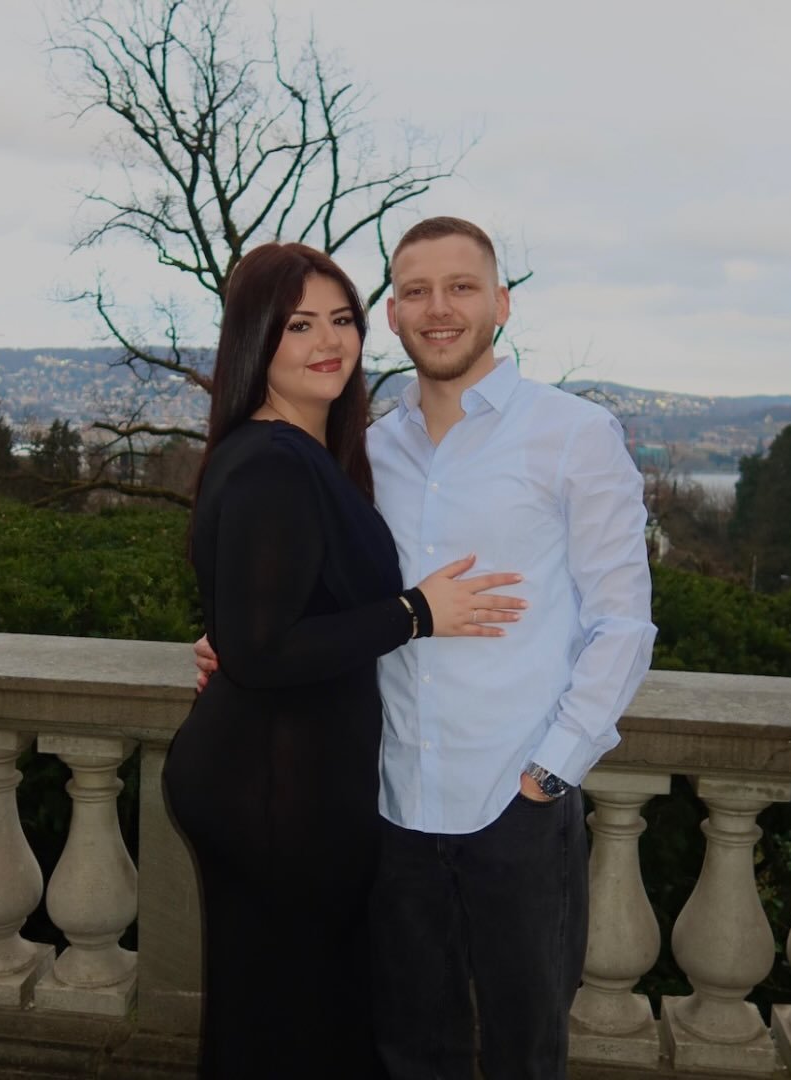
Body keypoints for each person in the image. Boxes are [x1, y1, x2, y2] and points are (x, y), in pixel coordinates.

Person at [196, 217, 655, 1080]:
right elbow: (322, 584)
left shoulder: (572, 435)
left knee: (524, 1055)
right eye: (416, 291)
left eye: (461, 287)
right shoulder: (366, 448)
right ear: (395, 316)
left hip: (514, 800)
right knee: (409, 1054)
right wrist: (238, 635)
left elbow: (623, 623)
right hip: (390, 805)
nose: (439, 308)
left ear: (501, 304)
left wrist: (551, 772)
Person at [162, 241, 528, 1080]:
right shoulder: (275, 461)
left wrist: (240, 639)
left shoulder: (303, 452)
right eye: (298, 325)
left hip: (282, 778)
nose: (328, 341)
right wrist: (417, 612)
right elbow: (264, 648)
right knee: (296, 1024)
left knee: (278, 1017)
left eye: (341, 320)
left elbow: (263, 621)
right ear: (257, 339)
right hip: (274, 794)